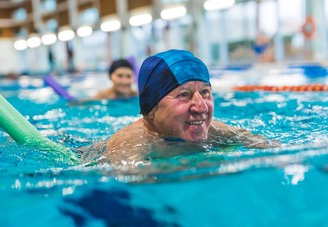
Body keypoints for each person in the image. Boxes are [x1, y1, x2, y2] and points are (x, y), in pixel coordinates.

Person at [102, 49, 279, 165]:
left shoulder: (217, 132)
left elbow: (275, 150)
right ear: (151, 109)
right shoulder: (128, 147)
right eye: (183, 94)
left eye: (205, 92)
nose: (201, 108)